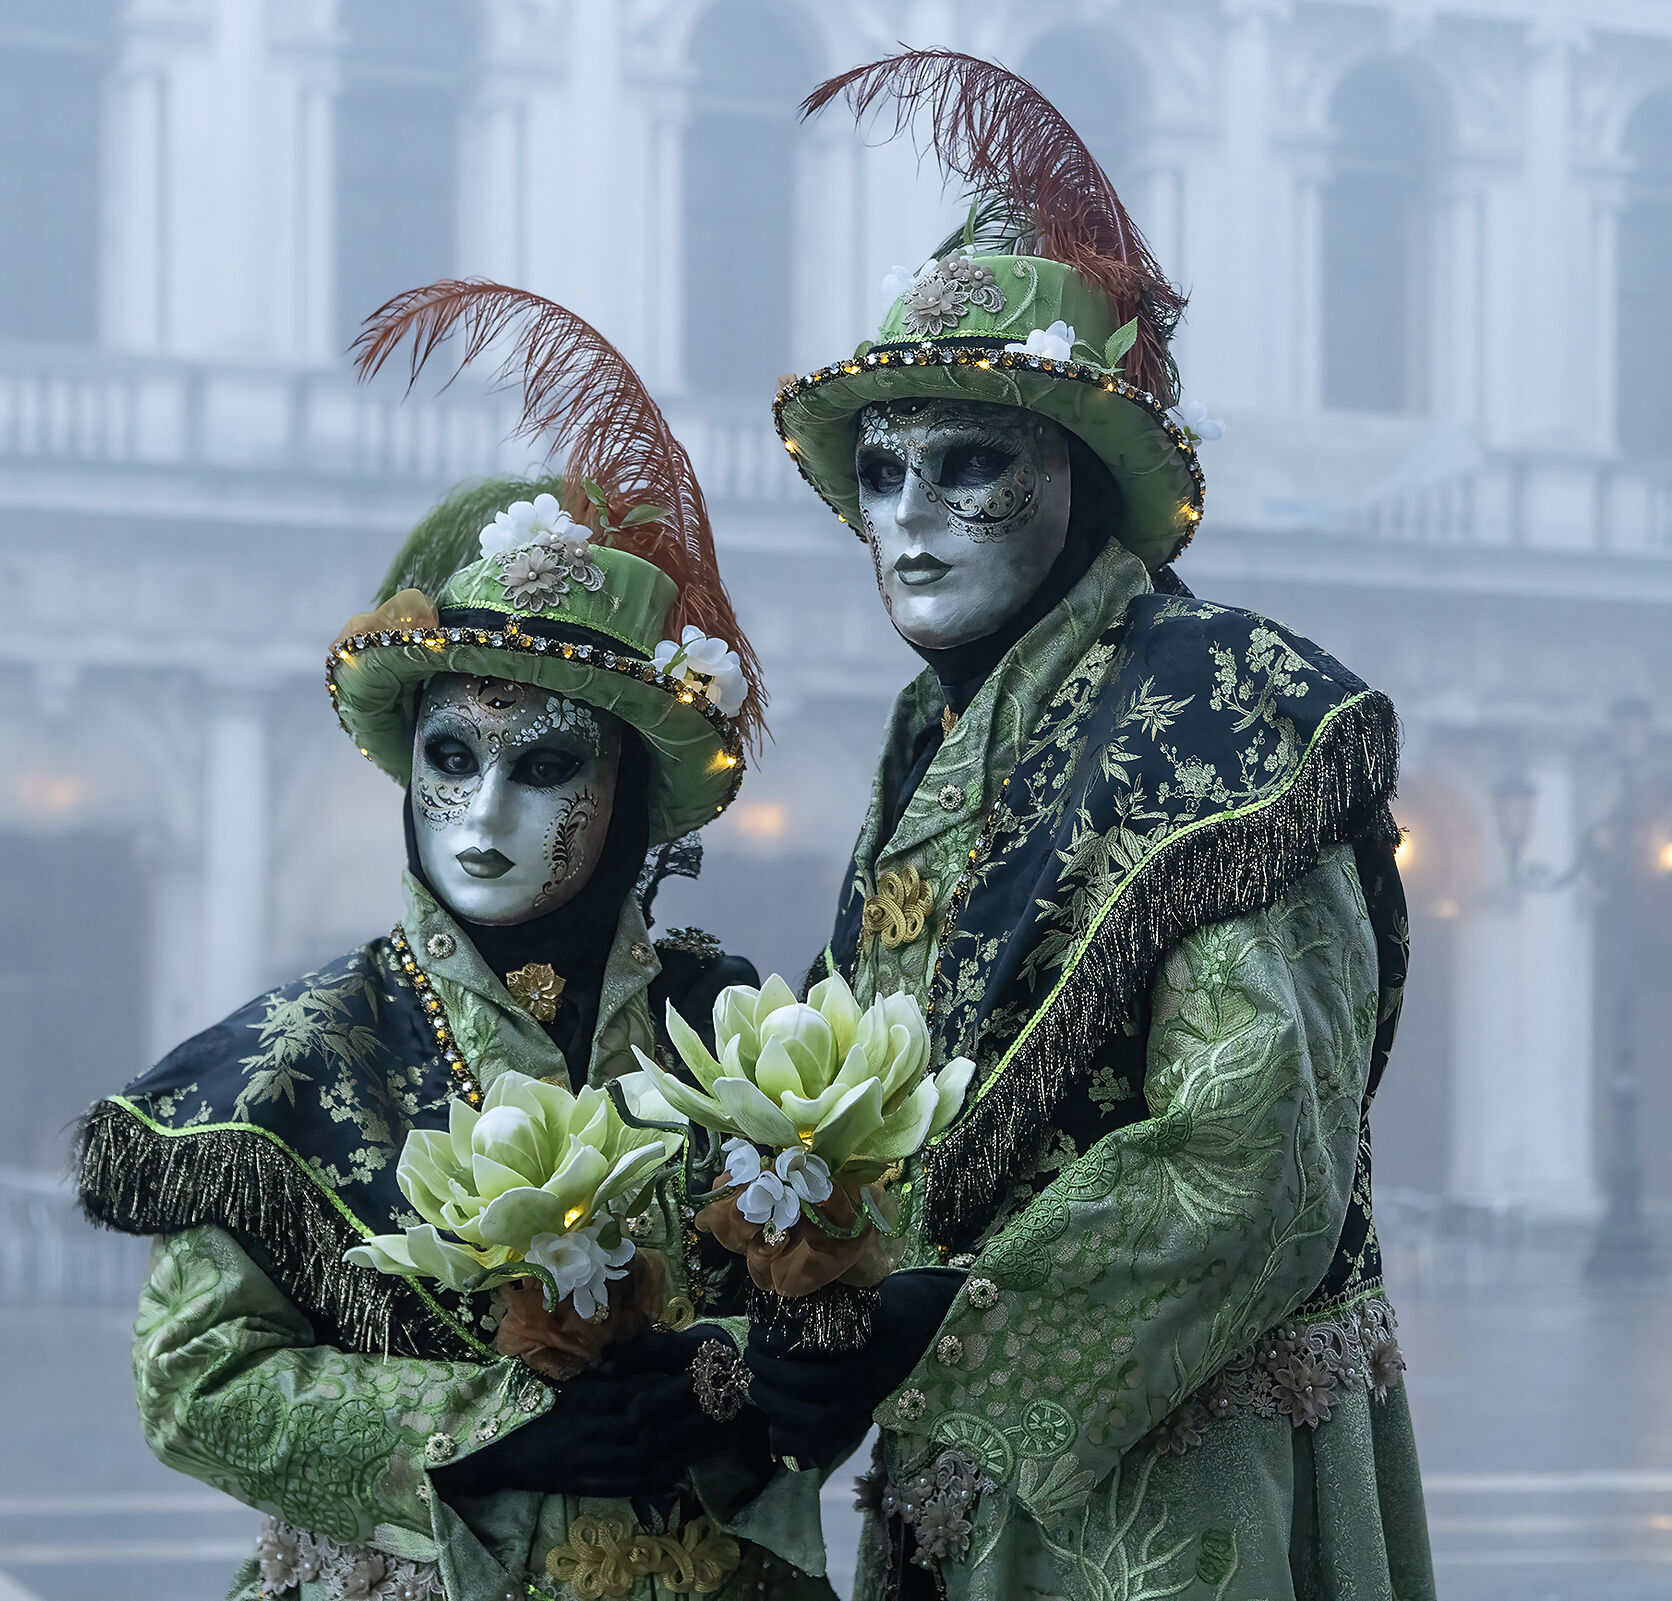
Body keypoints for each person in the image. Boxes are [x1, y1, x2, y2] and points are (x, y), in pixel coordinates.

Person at [740, 52, 1436, 1600]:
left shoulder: (1229, 709)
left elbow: (1258, 1153)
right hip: (956, 1483)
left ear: (1081, 472)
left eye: (971, 461)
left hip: (1183, 1488)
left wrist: (950, 1321)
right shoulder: (937, 742)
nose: (911, 515)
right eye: (883, 470)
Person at [78, 282, 839, 1601]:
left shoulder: (738, 1039)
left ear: (630, 795)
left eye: (544, 765)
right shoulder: (307, 1056)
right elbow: (195, 1380)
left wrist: (719, 1386)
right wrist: (493, 1431)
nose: (483, 813)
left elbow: (831, 1318)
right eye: (450, 755)